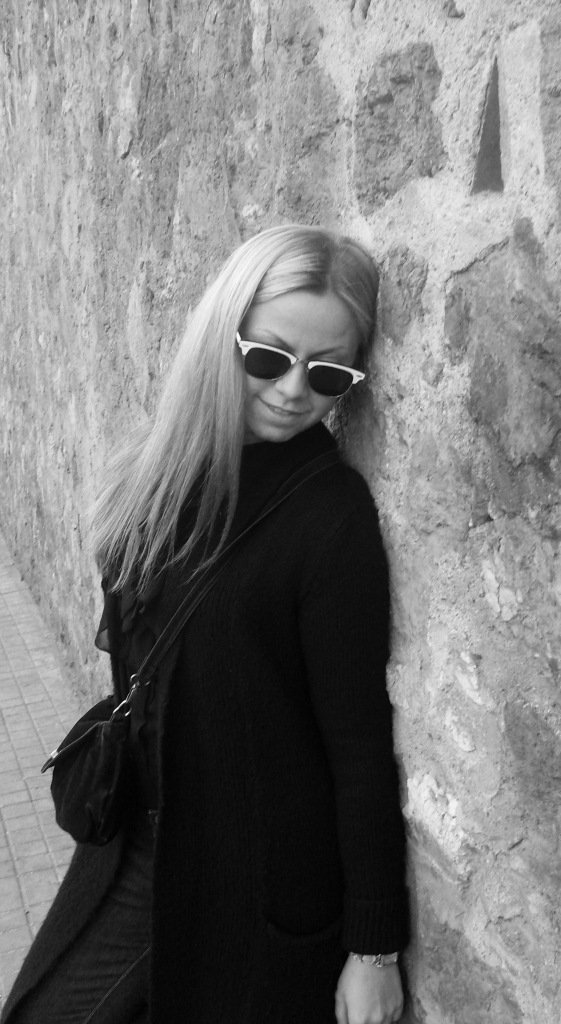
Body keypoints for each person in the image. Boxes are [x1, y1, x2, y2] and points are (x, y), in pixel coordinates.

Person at [2, 225, 409, 1024]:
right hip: (134, 839)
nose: (292, 390)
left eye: (326, 373)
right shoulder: (161, 473)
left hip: (244, 883)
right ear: (221, 336)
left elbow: (359, 751)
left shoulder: (330, 520)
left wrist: (373, 949)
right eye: (268, 357)